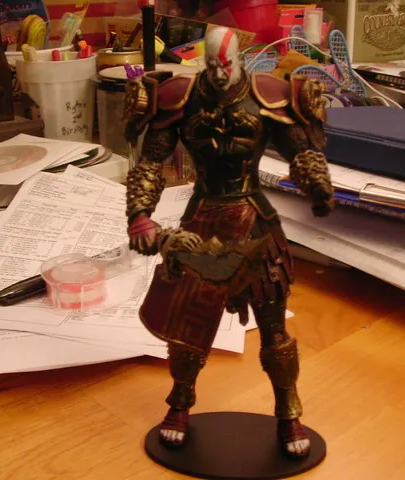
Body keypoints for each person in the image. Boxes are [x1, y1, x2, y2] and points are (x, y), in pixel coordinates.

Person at [123, 26, 334, 458]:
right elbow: (151, 161)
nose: (220, 74)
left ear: (239, 59)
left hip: (256, 222)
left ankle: (288, 411)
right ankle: (180, 404)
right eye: (213, 65)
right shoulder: (179, 98)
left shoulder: (267, 95)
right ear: (203, 61)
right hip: (201, 222)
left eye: (227, 65)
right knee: (187, 327)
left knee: (274, 329)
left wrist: (317, 184)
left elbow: (299, 149)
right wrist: (140, 215)